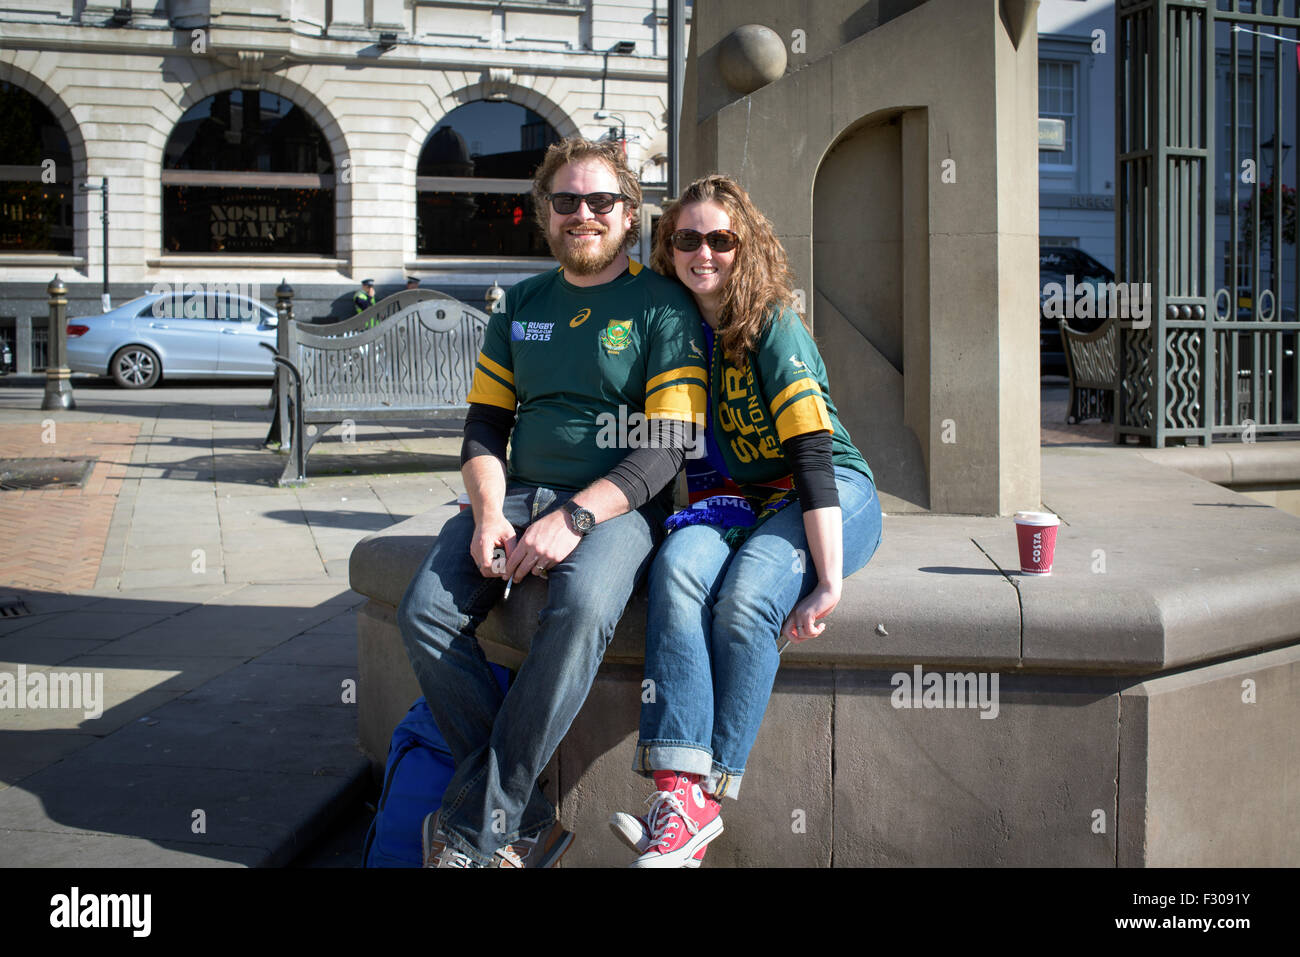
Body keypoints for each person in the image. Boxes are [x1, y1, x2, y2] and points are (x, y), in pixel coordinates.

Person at [397, 138, 707, 868]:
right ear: (544, 213)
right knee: (423, 612)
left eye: (601, 201)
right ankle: (525, 818)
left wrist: (576, 518)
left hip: (620, 507)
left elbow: (666, 448)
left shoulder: (665, 307)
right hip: (518, 493)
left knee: (582, 611)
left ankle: (479, 829)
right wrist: (487, 513)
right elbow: (484, 428)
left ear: (630, 215)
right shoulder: (522, 304)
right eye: (565, 200)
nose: (582, 214)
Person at [610, 173, 883, 867]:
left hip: (830, 493)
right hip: (742, 500)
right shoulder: (674, 330)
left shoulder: (770, 323)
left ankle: (708, 795)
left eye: (721, 239)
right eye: (687, 239)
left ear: (747, 245)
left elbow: (813, 455)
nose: (704, 252)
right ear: (668, 248)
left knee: (750, 596)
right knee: (675, 572)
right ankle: (677, 791)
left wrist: (828, 580)